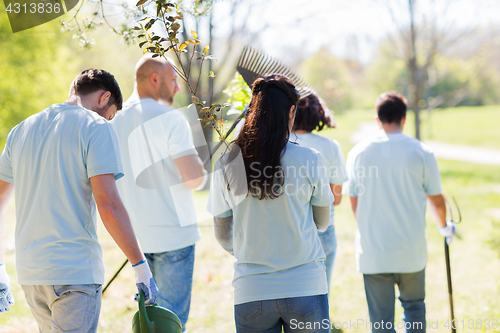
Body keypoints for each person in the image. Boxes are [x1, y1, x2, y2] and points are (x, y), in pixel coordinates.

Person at [0, 69, 158, 332]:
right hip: (74, 273)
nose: (109, 121)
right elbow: (109, 205)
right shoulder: (95, 127)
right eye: (110, 115)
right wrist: (141, 267)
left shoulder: (21, 130)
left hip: (31, 275)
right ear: (104, 97)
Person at [207, 75, 334, 333]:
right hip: (305, 286)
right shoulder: (310, 158)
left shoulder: (228, 162)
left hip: (251, 291)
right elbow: (323, 222)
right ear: (291, 111)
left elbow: (221, 233)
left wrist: (251, 250)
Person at [344, 91, 456, 333]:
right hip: (410, 249)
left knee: (380, 321)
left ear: (378, 120)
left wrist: (366, 228)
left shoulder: (358, 153)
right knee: (415, 309)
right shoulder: (421, 152)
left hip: (374, 250)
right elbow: (436, 199)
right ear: (404, 118)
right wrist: (444, 227)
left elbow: (354, 201)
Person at [111, 55, 205, 332]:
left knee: (148, 324)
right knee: (169, 323)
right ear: (155, 79)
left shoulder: (111, 121)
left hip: (135, 240)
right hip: (174, 236)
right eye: (173, 80)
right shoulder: (170, 118)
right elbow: (194, 180)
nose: (177, 88)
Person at [291, 93, 347, 290]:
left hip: (287, 229)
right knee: (320, 291)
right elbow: (336, 199)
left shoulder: (277, 144)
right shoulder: (330, 147)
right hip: (323, 229)